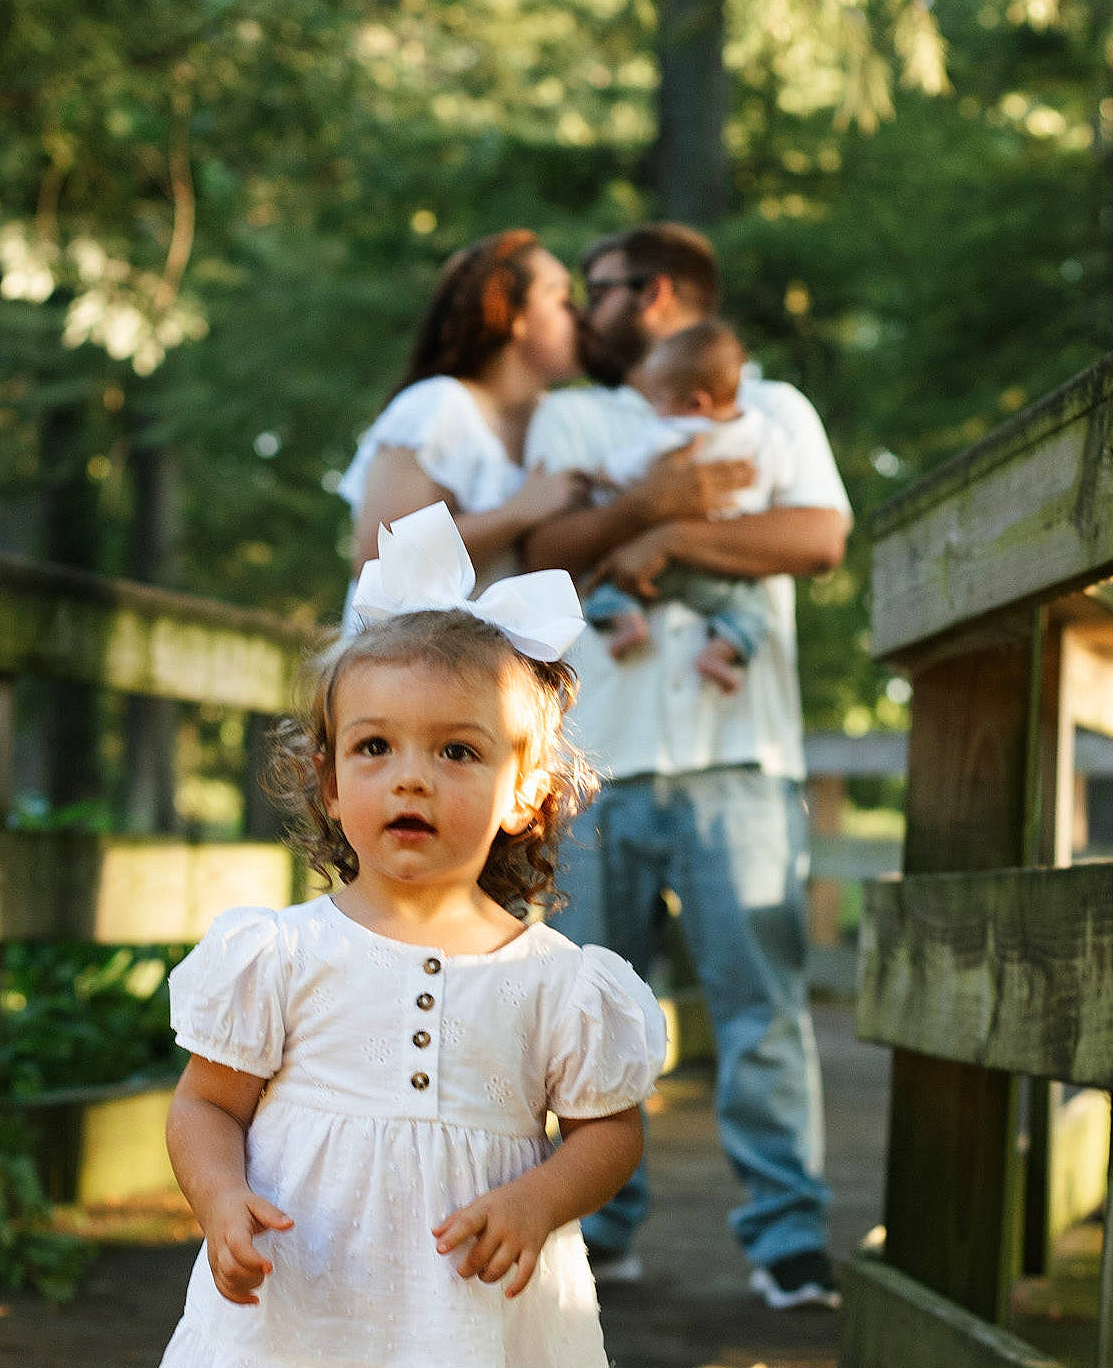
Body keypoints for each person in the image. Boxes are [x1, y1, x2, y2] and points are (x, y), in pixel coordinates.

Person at [113, 505, 666, 1368]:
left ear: (526, 789)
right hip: (299, 1297)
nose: (410, 775)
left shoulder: (557, 986)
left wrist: (537, 1200)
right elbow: (205, 1106)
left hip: (459, 1319)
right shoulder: (282, 955)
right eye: (375, 748)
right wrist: (217, 1201)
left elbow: (609, 1130)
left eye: (457, 751)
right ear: (326, 777)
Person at [520, 223, 852, 1311]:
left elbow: (811, 539)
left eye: (599, 289)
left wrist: (657, 537)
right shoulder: (573, 416)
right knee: (586, 1011)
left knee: (760, 1002)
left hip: (739, 761)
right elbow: (539, 555)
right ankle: (592, 1232)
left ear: (655, 294)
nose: (580, 312)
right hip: (591, 763)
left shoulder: (776, 407)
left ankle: (786, 1242)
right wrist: (661, 506)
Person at [340, 229, 589, 606]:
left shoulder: (557, 419)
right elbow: (379, 561)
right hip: (412, 660)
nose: (580, 316)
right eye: (561, 297)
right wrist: (517, 513)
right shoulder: (437, 406)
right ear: (512, 315)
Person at [580, 319, 796, 695]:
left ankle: (627, 621)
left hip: (660, 566)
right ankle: (718, 654)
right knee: (752, 615)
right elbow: (782, 478)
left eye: (660, 399)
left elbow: (626, 468)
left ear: (697, 403)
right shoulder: (767, 434)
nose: (656, 410)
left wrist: (600, 475)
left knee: (605, 588)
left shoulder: (675, 432)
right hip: (723, 565)